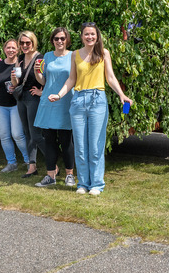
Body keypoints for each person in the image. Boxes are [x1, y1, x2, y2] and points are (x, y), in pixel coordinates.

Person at [48, 23, 133, 196]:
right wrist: (59, 94)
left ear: (97, 36)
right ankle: (83, 184)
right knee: (80, 146)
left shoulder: (103, 53)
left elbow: (110, 77)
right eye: (86, 34)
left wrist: (122, 95)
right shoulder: (75, 54)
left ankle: (97, 184)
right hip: (78, 100)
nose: (90, 37)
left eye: (92, 34)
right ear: (81, 36)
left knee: (95, 146)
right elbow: (72, 79)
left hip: (97, 100)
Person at [32, 27, 75, 188]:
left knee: (66, 140)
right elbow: (43, 81)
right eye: (56, 38)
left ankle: (69, 175)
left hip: (65, 102)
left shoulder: (73, 56)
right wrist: (37, 73)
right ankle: (50, 175)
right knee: (49, 140)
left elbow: (74, 80)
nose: (59, 41)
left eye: (62, 38)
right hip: (48, 102)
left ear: (67, 40)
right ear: (52, 40)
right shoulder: (47, 56)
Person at [0, 39, 29, 171]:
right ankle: (11, 163)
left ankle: (29, 160)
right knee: (4, 135)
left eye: (13, 48)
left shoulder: (21, 64)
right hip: (1, 105)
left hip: (16, 104)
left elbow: (23, 83)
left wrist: (16, 86)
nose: (11, 50)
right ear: (4, 49)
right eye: (8, 48)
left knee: (17, 134)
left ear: (18, 50)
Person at [10, 30, 42, 177]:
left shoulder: (39, 58)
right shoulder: (20, 59)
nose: (24, 45)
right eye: (22, 43)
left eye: (27, 42)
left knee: (36, 135)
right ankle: (32, 166)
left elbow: (46, 80)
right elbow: (16, 82)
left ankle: (53, 164)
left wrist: (41, 91)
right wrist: (13, 79)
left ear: (33, 42)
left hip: (33, 98)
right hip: (21, 99)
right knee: (27, 133)